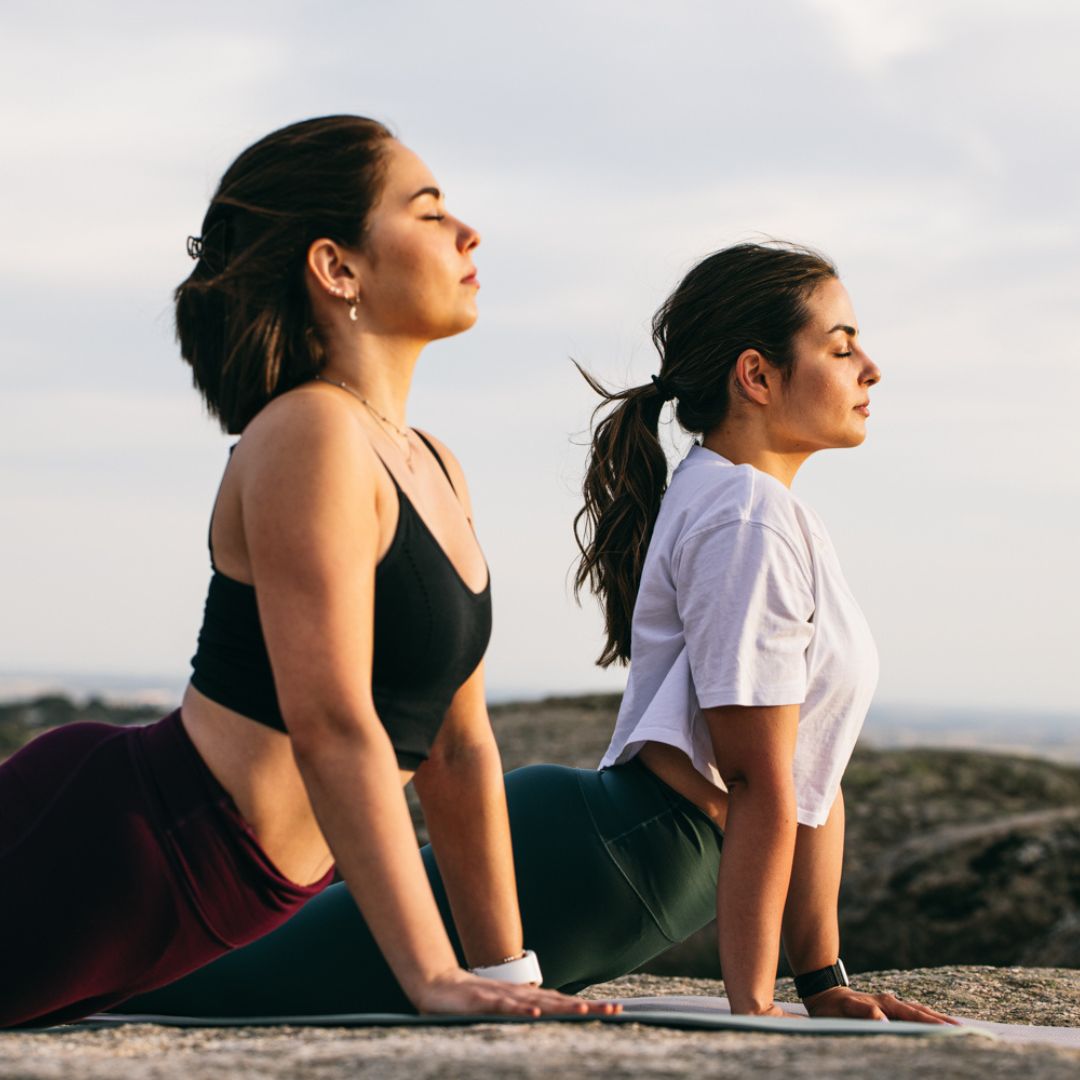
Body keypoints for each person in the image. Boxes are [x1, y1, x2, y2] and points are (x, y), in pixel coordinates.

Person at [113, 243, 956, 1026]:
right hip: (605, 854)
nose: (870, 366)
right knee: (196, 988)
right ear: (757, 376)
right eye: (842, 346)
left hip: (630, 859)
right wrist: (755, 1012)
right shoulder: (744, 516)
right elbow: (757, 774)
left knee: (232, 978)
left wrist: (822, 981)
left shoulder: (766, 514)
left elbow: (815, 776)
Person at [0, 115, 611, 1028]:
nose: (468, 232)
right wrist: (432, 977)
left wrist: (506, 974)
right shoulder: (309, 432)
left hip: (214, 893)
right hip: (128, 848)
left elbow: (457, 749)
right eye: (430, 210)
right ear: (338, 268)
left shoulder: (435, 465)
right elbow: (331, 721)